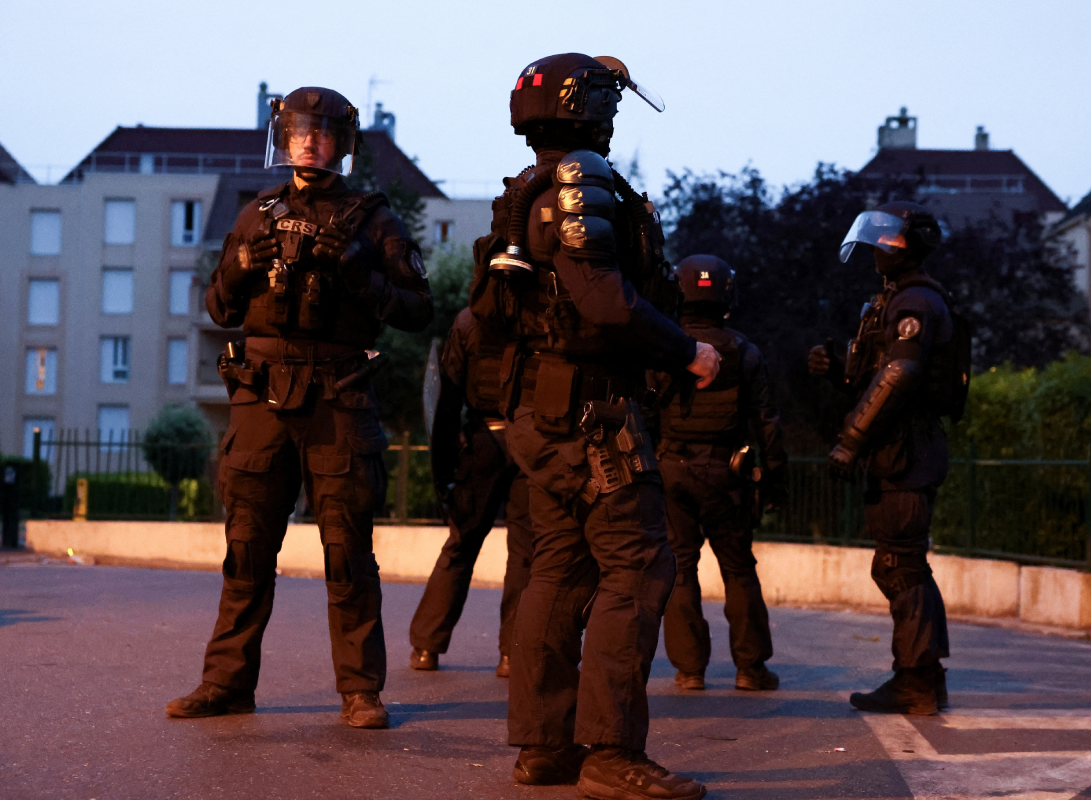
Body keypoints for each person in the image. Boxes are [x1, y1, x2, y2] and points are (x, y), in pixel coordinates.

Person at [470, 53, 718, 799]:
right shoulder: (584, 180)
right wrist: (688, 352)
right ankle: (610, 752)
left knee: (559, 567)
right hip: (594, 413)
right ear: (592, 106)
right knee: (640, 566)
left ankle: (544, 747)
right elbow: (603, 300)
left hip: (541, 415)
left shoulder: (527, 189)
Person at [165, 86, 433, 729]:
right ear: (282, 138)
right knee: (247, 548)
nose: (309, 141)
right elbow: (218, 309)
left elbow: (420, 310)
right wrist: (237, 270)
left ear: (342, 143)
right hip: (260, 396)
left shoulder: (373, 217)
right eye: (298, 130)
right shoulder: (255, 212)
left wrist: (360, 272)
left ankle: (361, 691)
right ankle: (226, 683)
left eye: (322, 132)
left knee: (347, 552)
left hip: (336, 397)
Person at [808, 201, 967, 715]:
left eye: (889, 241)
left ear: (909, 247)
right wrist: (837, 372)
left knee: (901, 565)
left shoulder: (916, 302)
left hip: (907, 451)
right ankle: (924, 676)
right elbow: (875, 375)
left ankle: (917, 682)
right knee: (902, 566)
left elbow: (899, 377)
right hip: (899, 449)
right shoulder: (895, 299)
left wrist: (850, 439)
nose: (878, 249)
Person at [653, 255, 788, 693]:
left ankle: (690, 670)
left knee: (681, 567)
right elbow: (767, 422)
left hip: (671, 469)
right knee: (738, 568)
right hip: (726, 473)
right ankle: (751, 669)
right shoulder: (745, 352)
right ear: (727, 294)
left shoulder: (665, 348)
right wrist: (775, 484)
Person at [408, 308, 533, 677]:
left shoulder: (468, 320)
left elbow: (445, 398)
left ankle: (427, 646)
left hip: (482, 441)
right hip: (531, 443)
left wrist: (445, 468)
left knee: (461, 543)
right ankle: (512, 655)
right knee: (525, 551)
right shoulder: (540, 313)